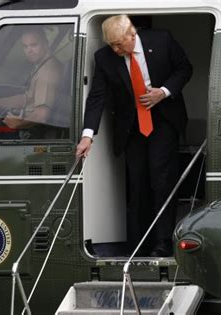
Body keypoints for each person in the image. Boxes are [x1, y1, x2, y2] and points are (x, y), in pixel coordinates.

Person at [76, 15, 192, 257]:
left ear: (132, 34)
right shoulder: (104, 57)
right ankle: (139, 244)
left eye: (119, 44)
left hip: (163, 120)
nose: (116, 49)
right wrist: (88, 135)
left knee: (161, 180)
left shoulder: (161, 40)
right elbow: (97, 97)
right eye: (112, 45)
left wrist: (163, 91)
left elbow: (185, 69)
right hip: (131, 127)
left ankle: (163, 242)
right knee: (137, 183)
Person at [0, 27, 63, 136]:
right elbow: (26, 99)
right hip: (28, 126)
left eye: (34, 45)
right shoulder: (42, 65)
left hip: (30, 133)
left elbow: (41, 115)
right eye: (25, 46)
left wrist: (18, 123)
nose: (29, 50)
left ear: (45, 44)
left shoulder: (47, 71)